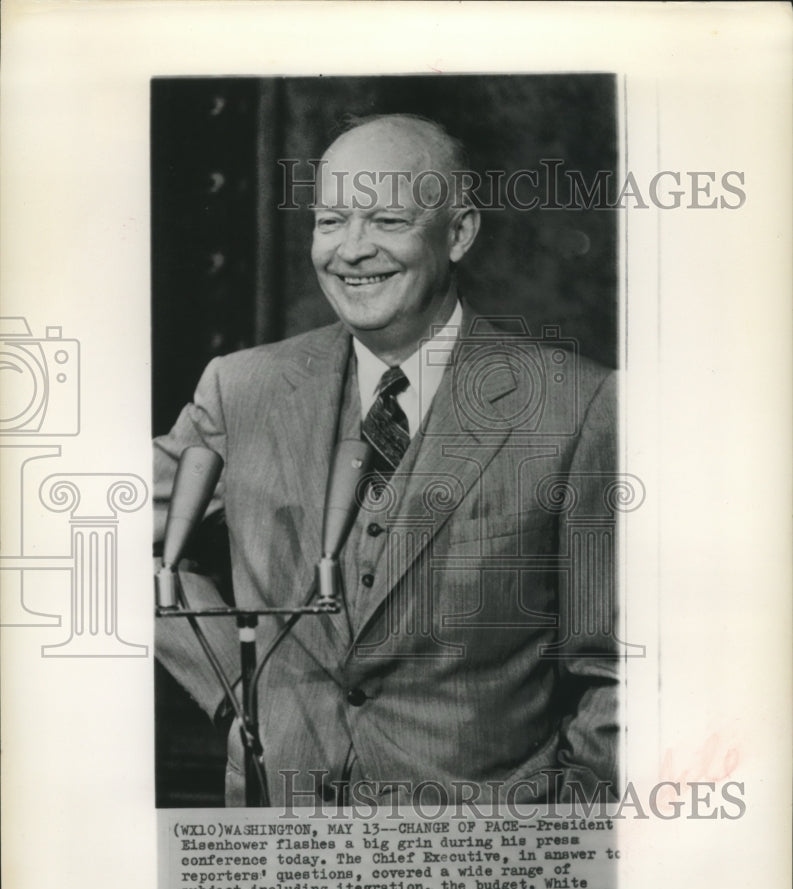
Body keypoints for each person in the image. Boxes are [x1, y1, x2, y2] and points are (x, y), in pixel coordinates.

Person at [154, 113, 619, 809]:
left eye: (387, 221)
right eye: (330, 221)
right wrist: (240, 691)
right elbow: (92, 536)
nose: (351, 250)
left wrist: (555, 829)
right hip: (280, 849)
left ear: (458, 233)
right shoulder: (239, 389)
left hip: (486, 867)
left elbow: (618, 669)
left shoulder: (577, 406)